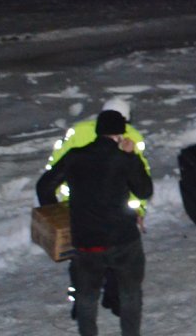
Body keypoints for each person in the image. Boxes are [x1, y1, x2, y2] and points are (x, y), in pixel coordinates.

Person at [37, 109, 153, 336]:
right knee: (130, 293)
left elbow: (44, 186)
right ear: (120, 134)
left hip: (86, 240)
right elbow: (144, 190)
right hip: (123, 239)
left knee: (86, 296)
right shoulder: (123, 158)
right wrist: (132, 157)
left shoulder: (74, 156)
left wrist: (58, 215)